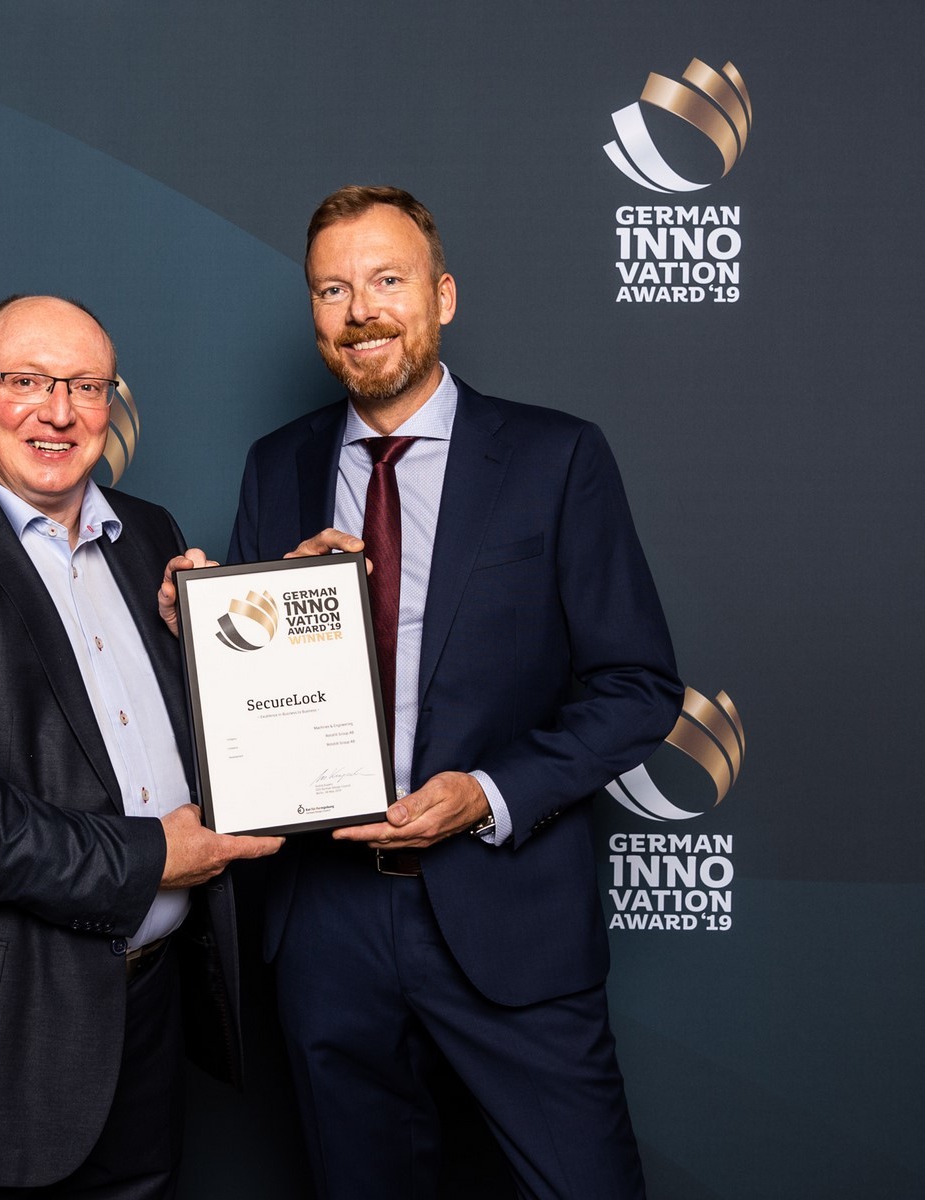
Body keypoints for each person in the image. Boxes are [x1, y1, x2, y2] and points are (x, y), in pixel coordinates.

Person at [226, 187, 682, 1198]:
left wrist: (486, 793)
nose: (362, 311)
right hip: (327, 921)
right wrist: (230, 620)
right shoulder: (278, 465)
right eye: (333, 289)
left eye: (388, 280)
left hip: (506, 909)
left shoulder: (555, 457)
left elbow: (638, 687)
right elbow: (248, 704)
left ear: (443, 296)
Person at [0, 294, 282, 1198]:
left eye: (86, 386)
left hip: (146, 1017)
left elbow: (152, 738)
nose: (59, 412)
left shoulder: (149, 536)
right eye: (26, 381)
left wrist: (228, 640)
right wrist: (151, 857)